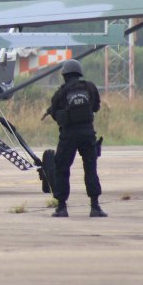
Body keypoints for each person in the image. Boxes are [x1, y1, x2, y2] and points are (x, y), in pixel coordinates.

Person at [47, 59, 106, 218]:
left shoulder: (61, 92)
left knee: (62, 168)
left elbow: (54, 113)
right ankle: (95, 207)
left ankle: (61, 207)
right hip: (87, 133)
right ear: (79, 73)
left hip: (69, 135)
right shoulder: (90, 87)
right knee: (90, 168)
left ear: (65, 75)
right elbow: (96, 107)